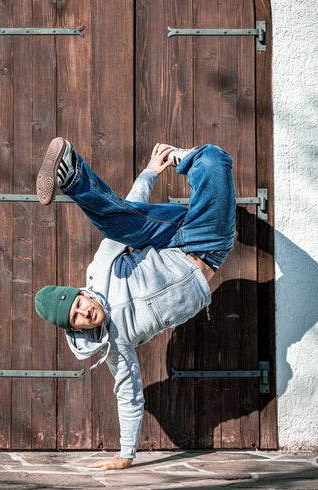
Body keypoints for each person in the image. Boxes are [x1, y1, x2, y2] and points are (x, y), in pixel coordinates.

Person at [34, 138, 236, 470]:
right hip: (208, 244)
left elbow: (127, 213)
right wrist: (126, 456)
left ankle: (71, 176)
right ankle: (193, 160)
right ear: (76, 328)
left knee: (117, 225)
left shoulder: (100, 271)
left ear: (80, 293)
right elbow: (128, 391)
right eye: (78, 318)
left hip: (168, 234)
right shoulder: (115, 345)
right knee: (215, 159)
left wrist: (149, 173)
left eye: (79, 303)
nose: (85, 312)